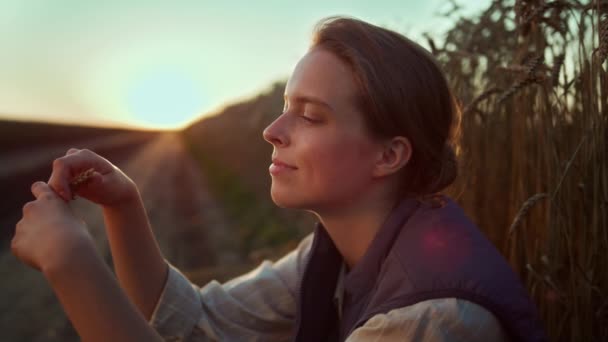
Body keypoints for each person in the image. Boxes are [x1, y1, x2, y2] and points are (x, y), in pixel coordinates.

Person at [10, 16, 548, 341]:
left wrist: (71, 264)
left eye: (310, 116)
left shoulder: (434, 321)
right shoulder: (335, 254)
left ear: (389, 154)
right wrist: (123, 208)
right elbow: (202, 325)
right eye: (285, 108)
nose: (271, 130)